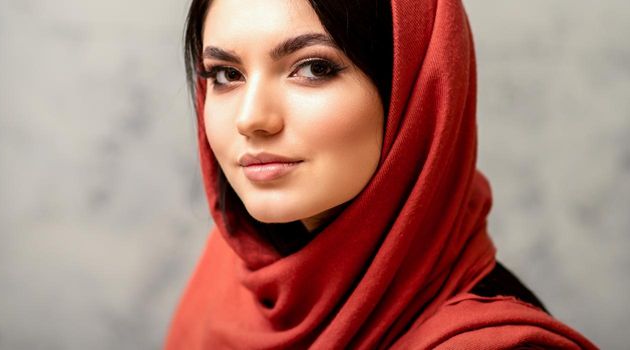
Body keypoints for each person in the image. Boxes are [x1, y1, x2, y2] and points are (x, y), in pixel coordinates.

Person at [167, 0, 599, 348]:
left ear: (416, 91)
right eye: (226, 75)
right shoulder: (233, 270)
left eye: (314, 68)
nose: (251, 118)